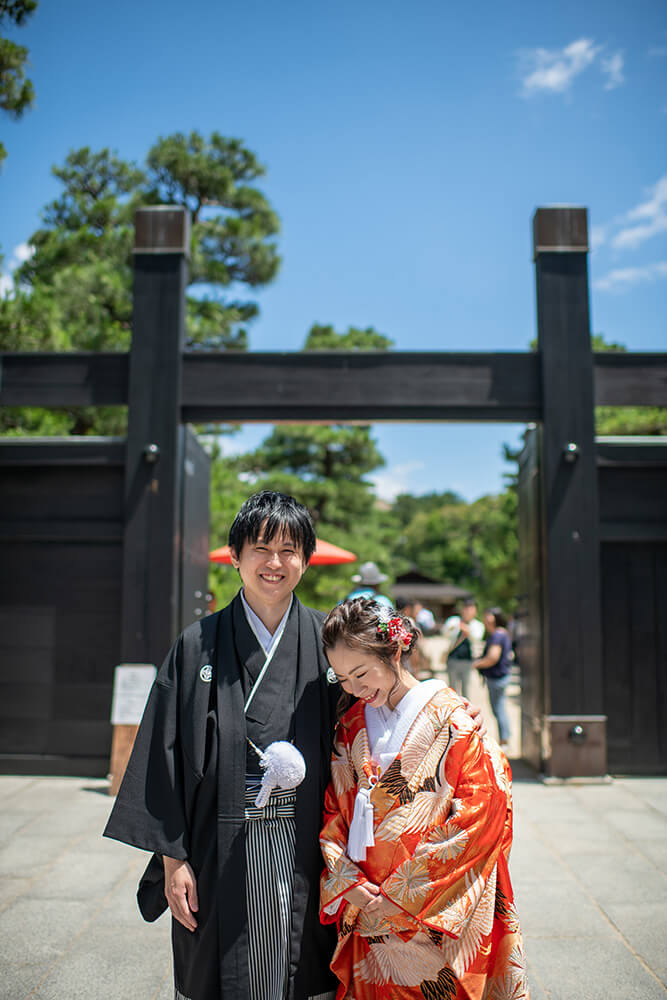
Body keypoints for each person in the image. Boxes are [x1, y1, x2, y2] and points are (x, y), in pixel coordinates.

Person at [104, 491, 485, 1000]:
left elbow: (380, 713)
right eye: (260, 548)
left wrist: (446, 717)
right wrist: (174, 864)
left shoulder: (326, 641)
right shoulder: (196, 646)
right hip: (216, 847)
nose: (274, 562)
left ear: (305, 560)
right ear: (236, 555)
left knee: (303, 972)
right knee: (215, 975)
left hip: (309, 847)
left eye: (289, 549)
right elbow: (163, 758)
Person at [318, 598, 528, 1000]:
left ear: (395, 650)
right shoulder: (350, 724)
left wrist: (398, 896)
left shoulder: (454, 720)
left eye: (361, 673)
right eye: (342, 679)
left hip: (432, 916)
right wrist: (349, 882)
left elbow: (481, 817)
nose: (355, 689)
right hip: (366, 907)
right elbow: (334, 813)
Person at [472, 607, 513, 751]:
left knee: (499, 709)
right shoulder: (502, 634)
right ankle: (505, 738)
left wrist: (477, 663)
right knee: (499, 709)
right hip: (500, 676)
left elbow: (492, 657)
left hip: (497, 677)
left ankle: (504, 740)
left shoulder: (497, 635)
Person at [441, 598, 485, 700]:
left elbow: (477, 638)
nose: (468, 611)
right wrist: (455, 628)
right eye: (466, 608)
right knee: (452, 689)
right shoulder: (453, 621)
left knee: (466, 690)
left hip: (468, 660)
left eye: (471, 609)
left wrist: (467, 631)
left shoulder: (478, 625)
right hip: (453, 658)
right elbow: (445, 633)